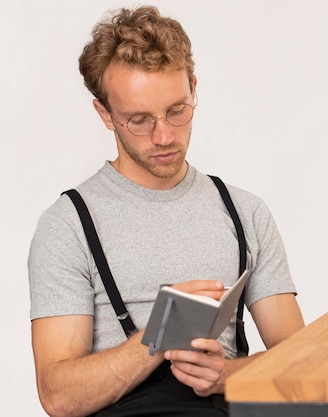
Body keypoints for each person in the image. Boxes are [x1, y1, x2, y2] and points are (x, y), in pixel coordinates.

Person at [28, 5, 304, 417]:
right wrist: (157, 337)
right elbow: (59, 396)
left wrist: (227, 375)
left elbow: (302, 362)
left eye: (177, 111)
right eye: (138, 120)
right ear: (105, 113)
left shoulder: (245, 212)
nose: (164, 136)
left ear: (194, 88)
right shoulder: (67, 225)